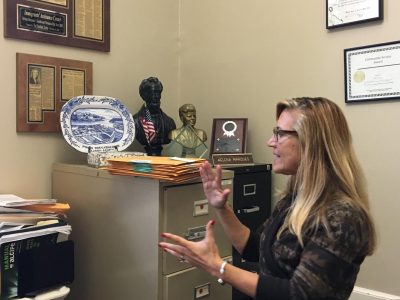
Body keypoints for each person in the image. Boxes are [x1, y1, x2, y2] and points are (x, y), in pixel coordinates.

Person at [159, 97, 376, 300]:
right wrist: (222, 207)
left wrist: (218, 267)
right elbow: (255, 248)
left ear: (312, 142)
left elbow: (299, 294)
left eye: (280, 133)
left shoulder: (342, 215)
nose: (270, 142)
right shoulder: (293, 199)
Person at [133, 77, 176, 156]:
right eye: (152, 93)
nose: (156, 97)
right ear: (144, 96)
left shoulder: (170, 123)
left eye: (158, 93)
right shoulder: (135, 122)